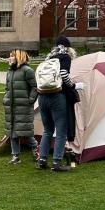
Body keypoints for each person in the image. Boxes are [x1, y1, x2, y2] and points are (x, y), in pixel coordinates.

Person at [36, 36, 76, 172]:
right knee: (61, 131)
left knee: (47, 130)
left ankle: (42, 160)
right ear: (68, 47)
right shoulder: (65, 57)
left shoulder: (49, 58)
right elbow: (64, 74)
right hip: (57, 97)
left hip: (42, 96)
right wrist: (73, 85)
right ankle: (57, 163)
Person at [3, 49, 38, 165]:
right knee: (12, 131)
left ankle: (35, 149)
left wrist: (30, 100)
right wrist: (6, 98)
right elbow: (7, 88)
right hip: (11, 107)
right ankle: (15, 156)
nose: (9, 58)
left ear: (18, 57)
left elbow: (34, 87)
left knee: (25, 131)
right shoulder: (10, 72)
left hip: (23, 106)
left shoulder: (27, 71)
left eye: (12, 56)